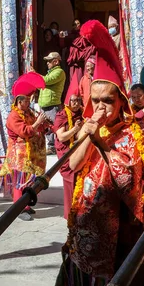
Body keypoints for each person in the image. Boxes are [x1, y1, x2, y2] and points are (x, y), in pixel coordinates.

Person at [52, 19, 144, 286]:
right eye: (94, 100)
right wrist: (88, 135)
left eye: (107, 101)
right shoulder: (89, 124)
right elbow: (75, 164)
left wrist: (100, 140)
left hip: (121, 227)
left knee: (115, 284)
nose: (99, 108)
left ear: (121, 100)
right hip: (87, 219)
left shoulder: (137, 132)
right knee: (83, 278)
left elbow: (129, 180)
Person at [0, 83, 49, 221]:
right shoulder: (13, 116)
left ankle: (25, 205)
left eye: (29, 100)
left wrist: (44, 125)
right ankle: (18, 209)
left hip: (31, 155)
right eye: (26, 100)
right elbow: (24, 132)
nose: (29, 103)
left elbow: (37, 127)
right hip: (19, 156)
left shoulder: (29, 112)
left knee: (29, 182)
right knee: (20, 182)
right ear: (19, 102)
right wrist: (37, 122)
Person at [51, 85, 84, 219]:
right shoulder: (62, 115)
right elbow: (61, 136)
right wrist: (75, 130)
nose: (76, 103)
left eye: (78, 100)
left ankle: (81, 211)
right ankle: (70, 214)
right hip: (67, 154)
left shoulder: (82, 113)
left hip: (80, 151)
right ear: (67, 102)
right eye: (73, 101)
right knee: (71, 183)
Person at [39, 52, 66, 155]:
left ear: (56, 61)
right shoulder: (50, 73)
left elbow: (46, 81)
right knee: (47, 126)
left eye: (49, 61)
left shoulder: (59, 72)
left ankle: (54, 146)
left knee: (53, 126)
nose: (47, 63)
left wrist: (36, 76)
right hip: (45, 104)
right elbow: (43, 84)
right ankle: (51, 146)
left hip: (52, 104)